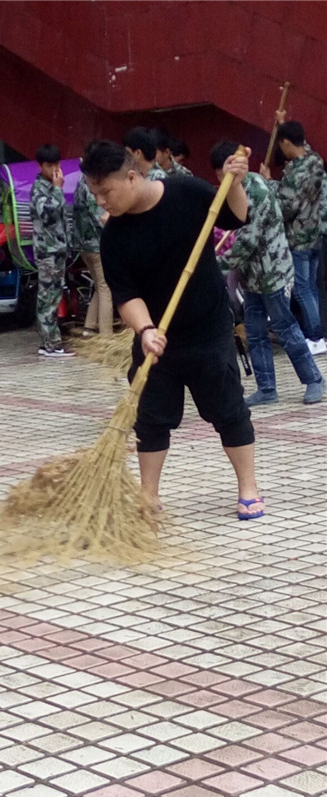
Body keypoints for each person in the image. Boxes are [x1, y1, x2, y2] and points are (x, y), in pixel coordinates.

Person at [81, 140, 264, 520]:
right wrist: (145, 329)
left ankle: (248, 487)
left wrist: (235, 184)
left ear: (131, 177)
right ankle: (148, 497)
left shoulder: (188, 192)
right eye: (94, 193)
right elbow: (125, 293)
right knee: (150, 419)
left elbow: (236, 216)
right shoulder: (114, 235)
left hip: (207, 328)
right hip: (155, 339)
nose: (101, 201)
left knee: (229, 410)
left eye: (105, 191)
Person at [210, 140, 323, 406]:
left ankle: (314, 379)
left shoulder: (257, 191)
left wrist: (216, 267)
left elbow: (248, 240)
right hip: (251, 276)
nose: (221, 179)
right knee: (255, 331)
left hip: (273, 272)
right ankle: (267, 388)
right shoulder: (227, 193)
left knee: (286, 328)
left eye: (223, 172)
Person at [261, 116, 326, 355]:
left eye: (282, 143)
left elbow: (285, 206)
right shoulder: (315, 159)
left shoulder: (295, 173)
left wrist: (269, 182)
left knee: (302, 288)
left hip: (299, 238)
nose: (280, 148)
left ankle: (316, 335)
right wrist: (281, 122)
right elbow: (303, 144)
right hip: (316, 233)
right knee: (312, 287)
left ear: (287, 142)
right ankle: (319, 333)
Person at [29, 144, 73, 358]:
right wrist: (57, 189)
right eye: (49, 165)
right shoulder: (39, 188)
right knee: (48, 296)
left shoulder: (52, 187)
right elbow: (47, 214)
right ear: (40, 166)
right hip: (47, 251)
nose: (54, 169)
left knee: (55, 295)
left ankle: (53, 340)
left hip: (57, 249)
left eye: (56, 164)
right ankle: (49, 343)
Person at [72, 172, 112, 338]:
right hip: (95, 244)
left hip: (83, 244)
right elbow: (100, 218)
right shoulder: (91, 183)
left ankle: (89, 327)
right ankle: (106, 335)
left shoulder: (81, 182)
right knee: (106, 288)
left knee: (99, 285)